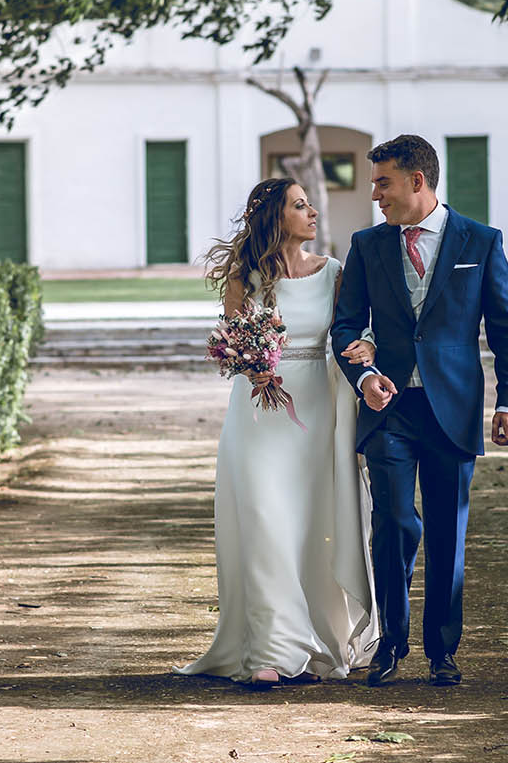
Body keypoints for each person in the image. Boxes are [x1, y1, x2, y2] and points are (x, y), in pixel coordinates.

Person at [330, 134, 508, 688]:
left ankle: (443, 650)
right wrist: (364, 376)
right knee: (392, 522)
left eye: (382, 182)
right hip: (388, 408)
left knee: (447, 532)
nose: (374, 194)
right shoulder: (367, 246)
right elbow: (345, 325)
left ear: (417, 181)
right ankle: (391, 642)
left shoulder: (481, 241)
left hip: (453, 409)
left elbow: (505, 329)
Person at [177, 178, 380, 689]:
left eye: (310, 204)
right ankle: (270, 653)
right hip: (259, 417)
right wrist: (252, 366)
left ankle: (314, 643)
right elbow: (233, 341)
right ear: (275, 217)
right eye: (299, 205)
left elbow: (353, 330)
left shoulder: (333, 272)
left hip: (319, 414)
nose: (311, 212)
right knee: (267, 523)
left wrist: (366, 350)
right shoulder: (245, 280)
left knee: (313, 528)